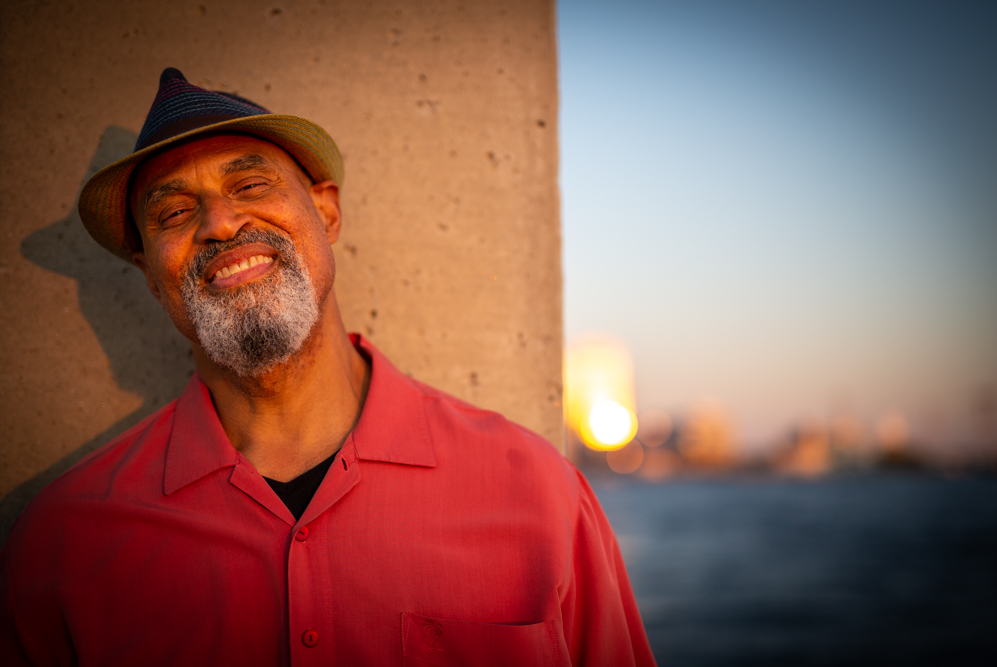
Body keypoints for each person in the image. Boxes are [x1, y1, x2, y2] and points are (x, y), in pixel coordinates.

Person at [1, 68, 655, 666]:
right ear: (148, 273)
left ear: (327, 210)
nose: (221, 223)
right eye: (174, 212)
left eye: (249, 183)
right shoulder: (62, 546)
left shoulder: (538, 494)